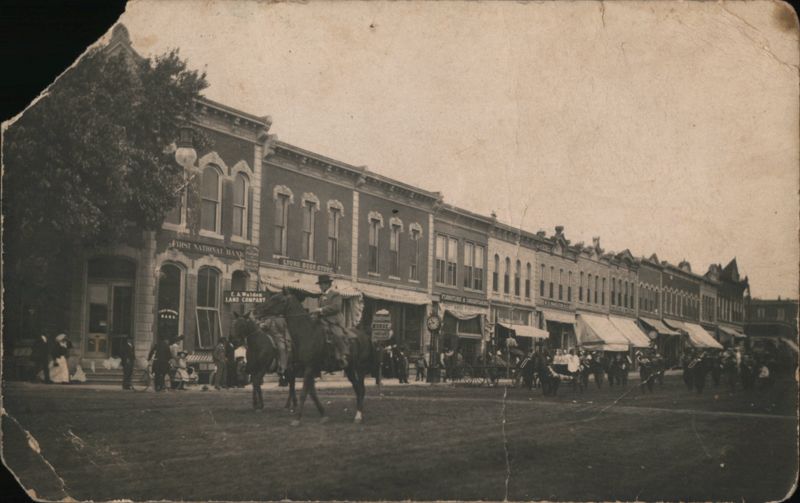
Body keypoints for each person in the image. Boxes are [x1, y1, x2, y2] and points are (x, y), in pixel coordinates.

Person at [309, 274, 350, 368]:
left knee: (338, 334)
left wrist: (321, 310)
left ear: (327, 284)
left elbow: (336, 307)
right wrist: (314, 314)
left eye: (321, 284)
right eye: (320, 284)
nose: (320, 286)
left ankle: (343, 354)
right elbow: (319, 310)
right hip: (322, 320)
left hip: (333, 320)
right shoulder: (321, 296)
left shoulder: (335, 294)